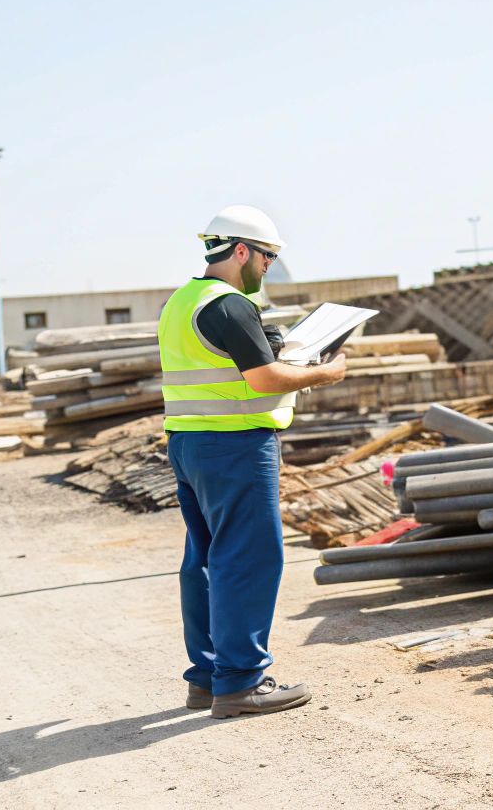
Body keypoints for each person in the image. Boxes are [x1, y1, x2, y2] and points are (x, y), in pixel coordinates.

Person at [158, 204, 346, 718]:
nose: (267, 266)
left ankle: (208, 678)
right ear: (241, 250)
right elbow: (263, 381)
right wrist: (323, 375)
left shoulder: (182, 301)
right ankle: (241, 682)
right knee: (248, 558)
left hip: (189, 444)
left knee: (204, 560)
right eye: (267, 256)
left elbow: (223, 364)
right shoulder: (229, 306)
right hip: (235, 445)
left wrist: (277, 350)